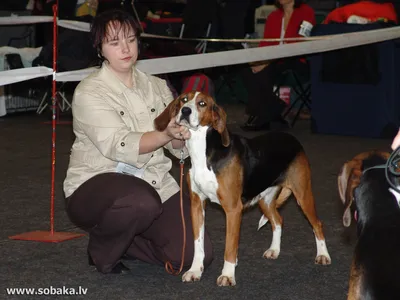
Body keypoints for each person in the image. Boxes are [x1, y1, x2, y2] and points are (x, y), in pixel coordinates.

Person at [63, 9, 213, 274]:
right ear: (100, 48)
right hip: (96, 183)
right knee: (141, 201)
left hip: (153, 183)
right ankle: (102, 250)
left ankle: (125, 239)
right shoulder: (89, 91)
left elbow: (176, 150)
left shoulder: (157, 86)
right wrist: (165, 133)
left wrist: (180, 137)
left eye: (131, 40)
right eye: (114, 42)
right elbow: (119, 145)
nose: (125, 48)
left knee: (195, 257)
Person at [240, 0, 316, 131]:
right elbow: (265, 43)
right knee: (247, 70)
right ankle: (273, 108)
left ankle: (263, 115)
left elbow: (302, 42)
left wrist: (268, 62)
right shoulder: (273, 16)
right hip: (275, 61)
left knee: (264, 71)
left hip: (296, 60)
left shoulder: (306, 12)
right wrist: (258, 60)